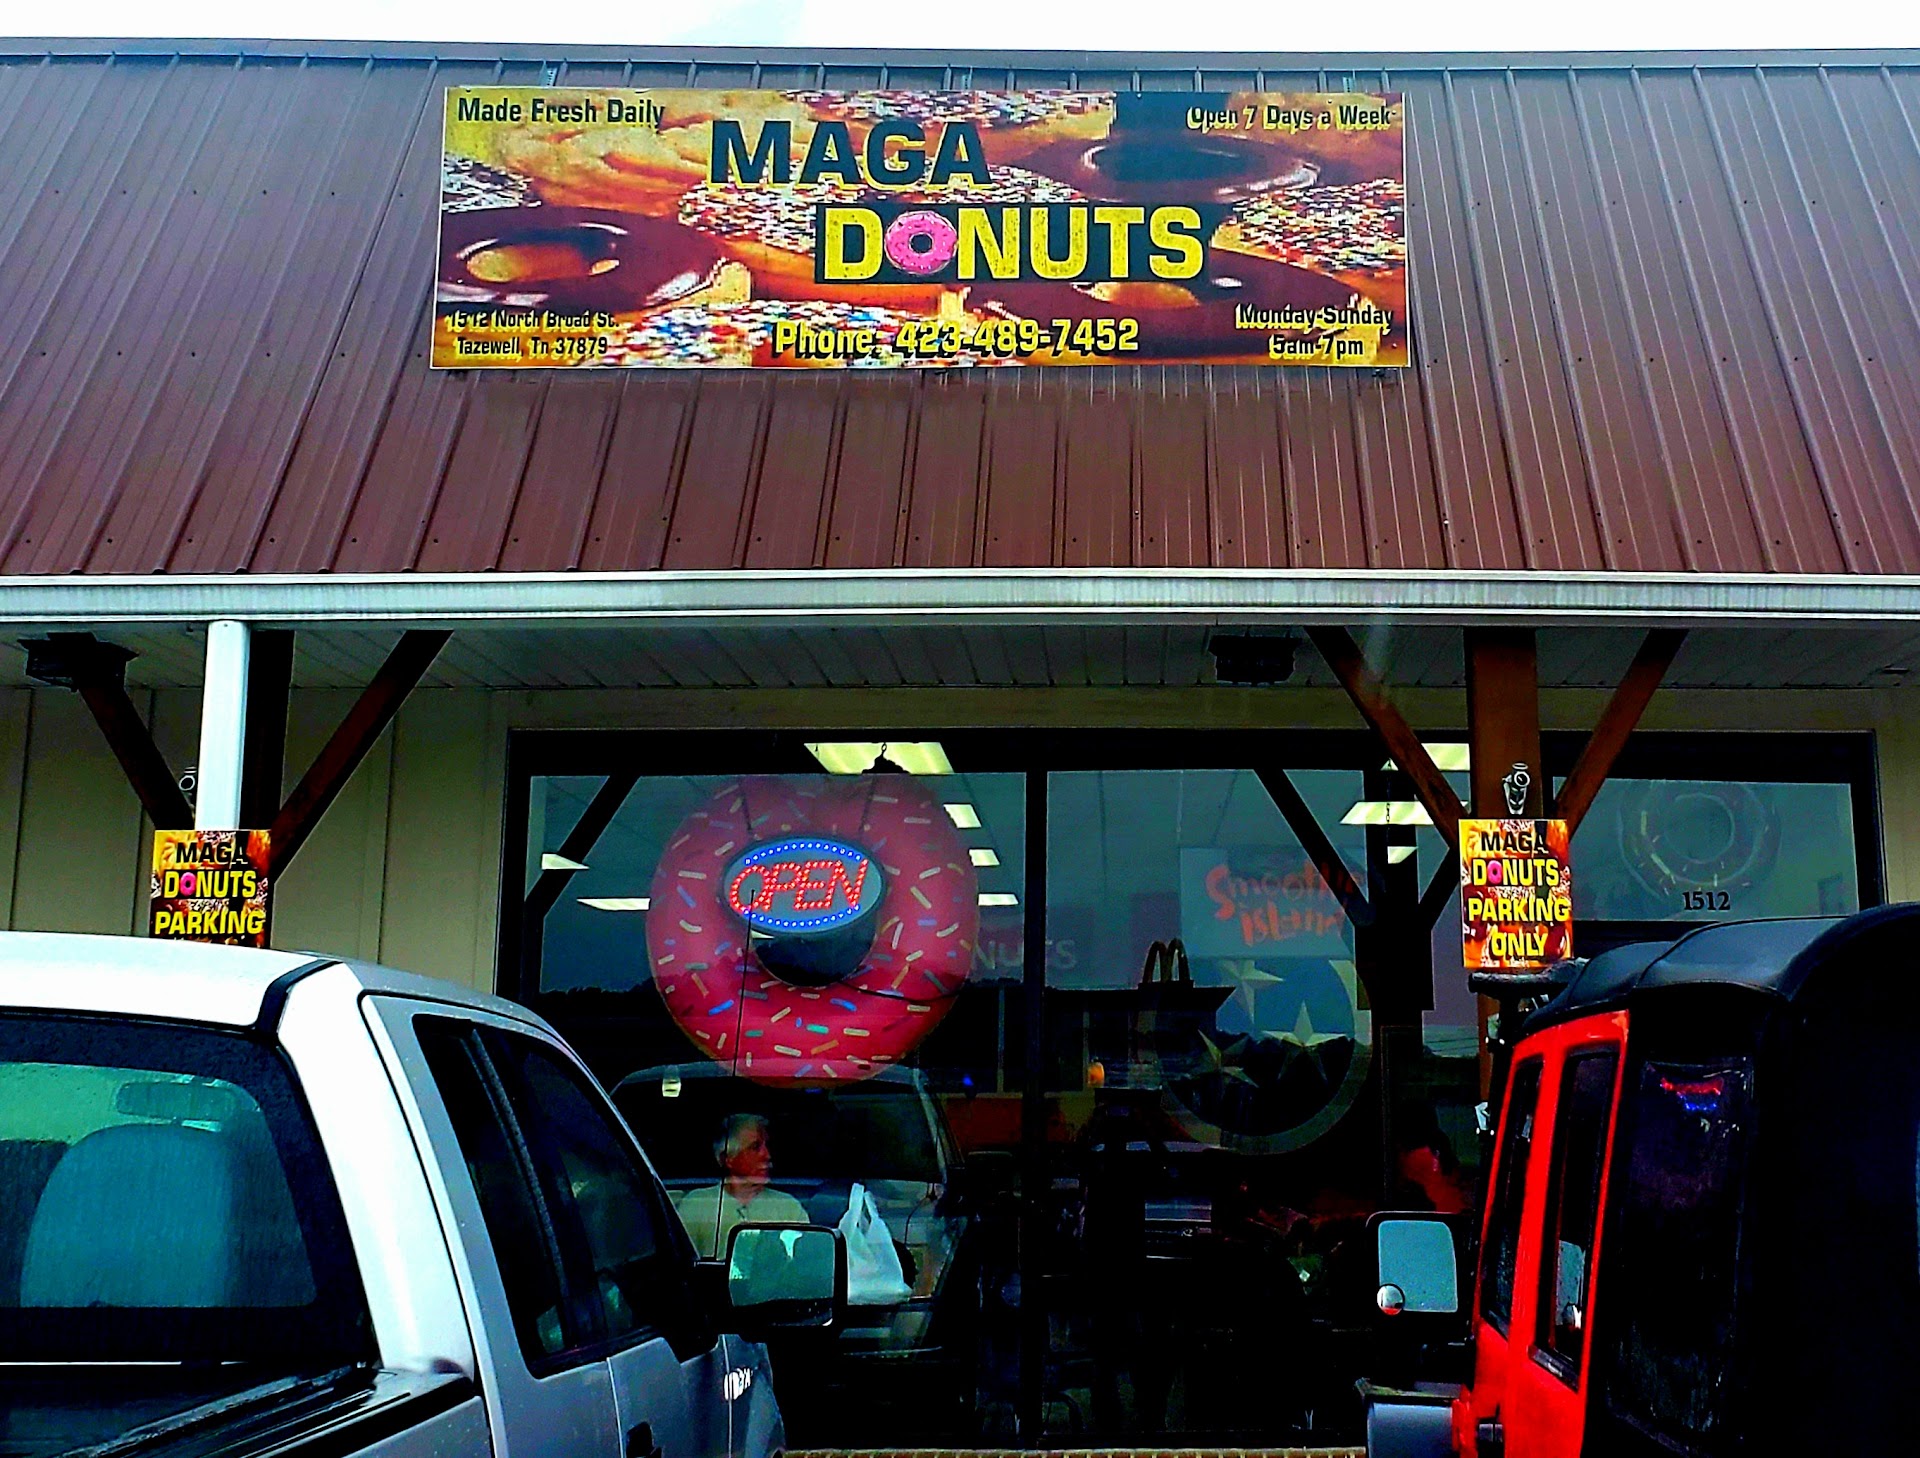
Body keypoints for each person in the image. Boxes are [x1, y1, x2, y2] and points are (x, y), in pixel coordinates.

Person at [673, 1112, 808, 1260]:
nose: (767, 1155)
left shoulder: (789, 1208)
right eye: (755, 1147)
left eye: (766, 1146)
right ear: (728, 1159)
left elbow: (804, 1264)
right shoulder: (696, 1205)